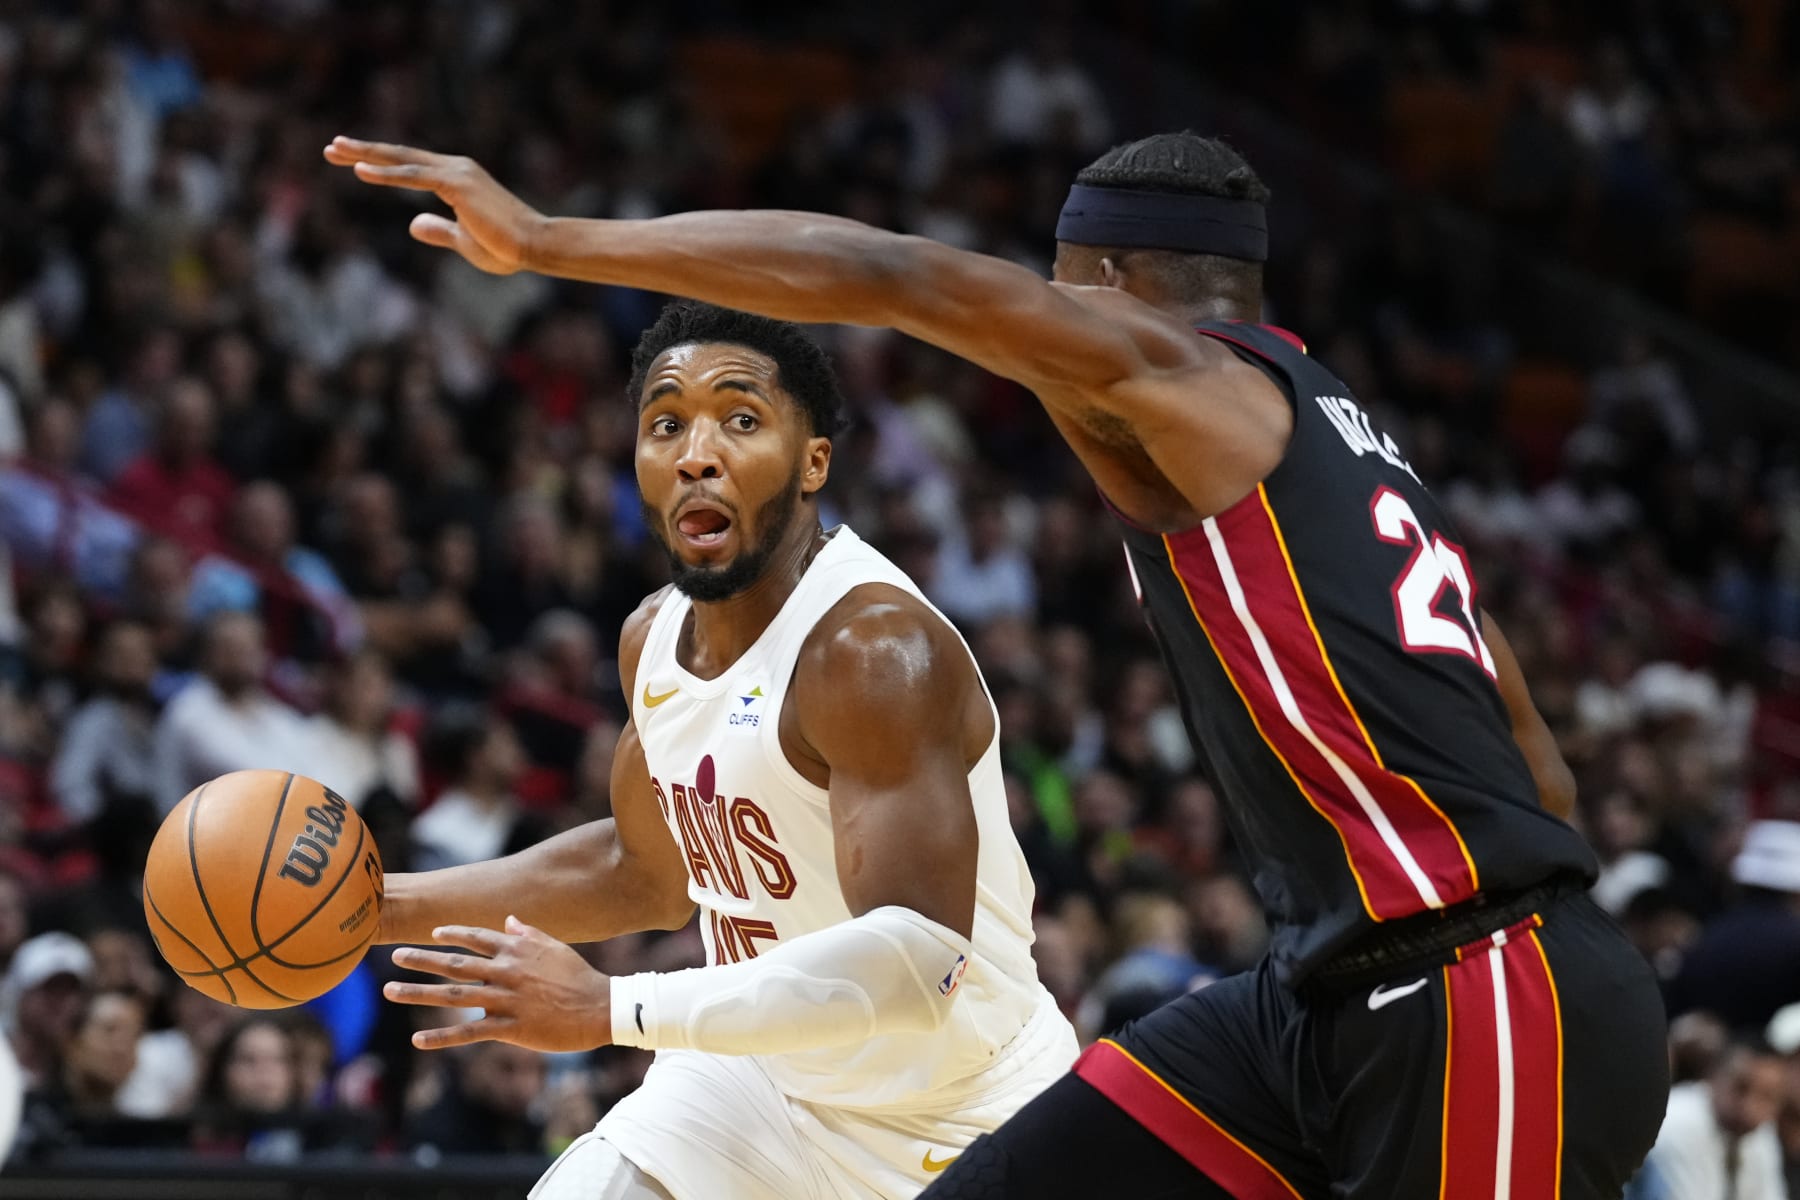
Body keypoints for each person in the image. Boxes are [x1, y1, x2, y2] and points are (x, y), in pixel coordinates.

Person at [327, 126, 1670, 1198]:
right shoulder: (1344, 446)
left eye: (1051, 307)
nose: (1032, 350)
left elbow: (900, 281)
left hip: (1477, 988)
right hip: (1322, 997)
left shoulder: (1178, 373)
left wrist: (554, 240)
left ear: (1107, 296)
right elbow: (1537, 762)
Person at [341, 300, 1074, 1200]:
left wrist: (611, 1009)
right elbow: (639, 869)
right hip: (757, 1081)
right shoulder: (652, 639)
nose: (696, 452)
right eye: (665, 424)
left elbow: (920, 965)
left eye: (740, 419)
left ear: (814, 463)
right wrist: (371, 910)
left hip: (962, 1110)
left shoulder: (872, 650)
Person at [1630, 1037, 1789, 1200]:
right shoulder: (1677, 1120)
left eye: (1767, 1097)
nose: (1749, 1108)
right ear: (1714, 1074)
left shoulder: (1762, 1133)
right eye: (1741, 1088)